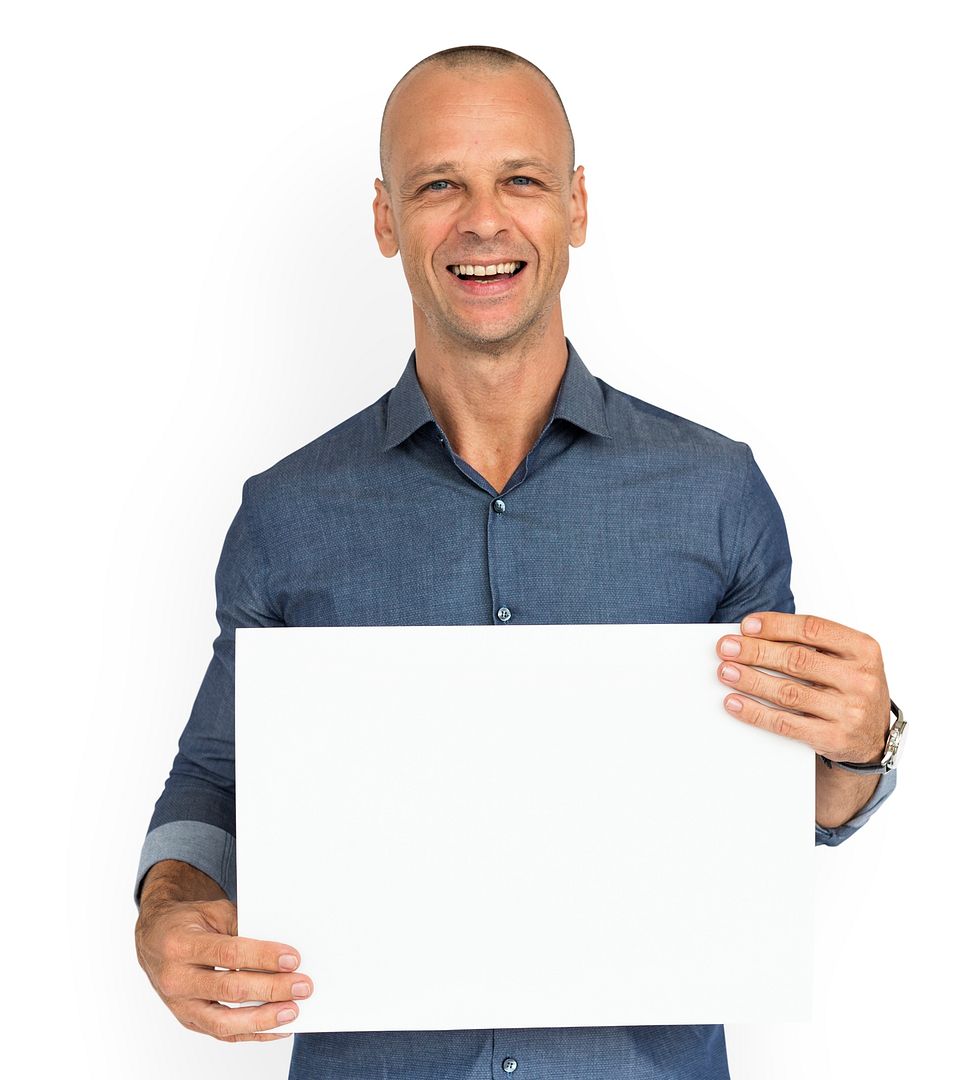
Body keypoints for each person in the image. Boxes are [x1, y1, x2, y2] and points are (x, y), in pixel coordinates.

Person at [133, 44, 900, 1080]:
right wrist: (169, 909)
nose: (482, 220)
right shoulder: (288, 514)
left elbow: (782, 804)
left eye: (522, 181)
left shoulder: (713, 494)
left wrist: (863, 746)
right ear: (384, 219)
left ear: (575, 208)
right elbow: (218, 776)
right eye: (439, 183)